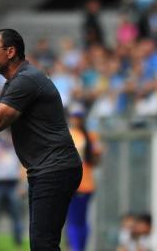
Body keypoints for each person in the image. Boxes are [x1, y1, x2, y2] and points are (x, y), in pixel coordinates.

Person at [0, 28, 82, 250]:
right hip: (48, 168)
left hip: (54, 168)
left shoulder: (25, 80)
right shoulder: (19, 79)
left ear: (10, 51)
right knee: (43, 242)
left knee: (43, 243)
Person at [65, 103, 102, 251]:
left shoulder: (90, 136)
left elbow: (95, 161)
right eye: (74, 117)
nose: (76, 120)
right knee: (73, 220)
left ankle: (79, 247)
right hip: (69, 183)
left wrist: (97, 153)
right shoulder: (67, 133)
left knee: (79, 220)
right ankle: (76, 247)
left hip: (85, 183)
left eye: (79, 117)